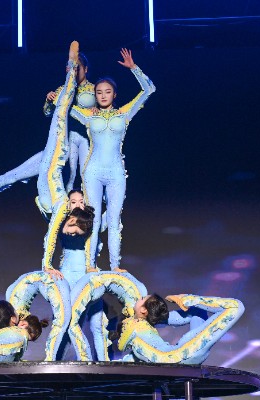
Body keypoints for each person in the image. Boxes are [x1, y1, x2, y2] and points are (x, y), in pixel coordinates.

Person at [0, 53, 94, 214]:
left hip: (80, 148)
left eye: (77, 68)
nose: (73, 71)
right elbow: (47, 113)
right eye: (70, 68)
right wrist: (49, 101)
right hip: (55, 149)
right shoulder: (62, 90)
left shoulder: (94, 91)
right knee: (13, 176)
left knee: (76, 188)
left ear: (85, 69)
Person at [70, 48, 156, 270]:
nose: (103, 95)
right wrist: (56, 93)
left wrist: (133, 68)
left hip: (117, 172)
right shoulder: (88, 115)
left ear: (114, 94)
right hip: (93, 172)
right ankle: (90, 265)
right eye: (99, 92)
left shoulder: (124, 113)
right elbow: (64, 106)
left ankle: (115, 266)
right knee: (94, 219)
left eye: (107, 92)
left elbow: (149, 89)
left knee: (115, 221)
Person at [118, 294, 245, 365]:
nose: (138, 298)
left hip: (181, 354)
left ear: (143, 310)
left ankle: (186, 300)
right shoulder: (135, 327)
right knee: (235, 306)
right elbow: (133, 352)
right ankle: (187, 299)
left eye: (141, 299)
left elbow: (132, 351)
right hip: (182, 354)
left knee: (200, 311)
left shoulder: (137, 326)